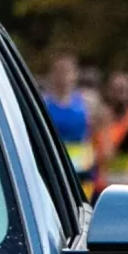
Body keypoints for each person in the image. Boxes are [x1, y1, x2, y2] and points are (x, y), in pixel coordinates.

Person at [42, 52, 97, 193]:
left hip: (81, 171)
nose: (63, 77)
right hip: (54, 168)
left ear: (75, 74)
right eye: (59, 71)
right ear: (52, 74)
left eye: (67, 71)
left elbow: (97, 137)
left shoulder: (87, 102)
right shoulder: (43, 103)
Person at [93, 69, 128, 197]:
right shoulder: (100, 117)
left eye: (124, 90)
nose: (120, 95)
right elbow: (106, 153)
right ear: (108, 92)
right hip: (105, 190)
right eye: (116, 90)